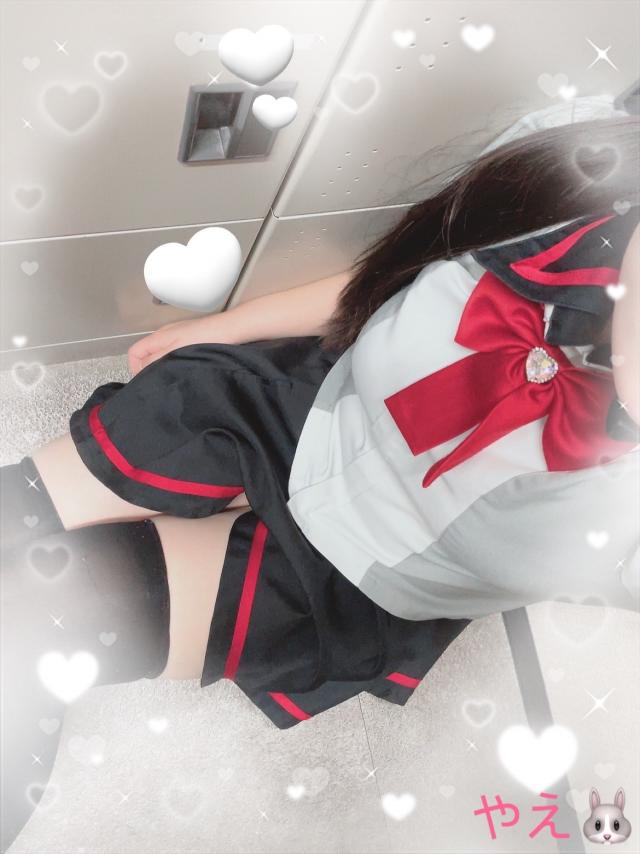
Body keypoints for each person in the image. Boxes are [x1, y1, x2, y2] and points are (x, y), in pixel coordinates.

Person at [1, 94, 638, 851]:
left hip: (361, 570)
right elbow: (393, 278)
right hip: (299, 405)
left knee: (41, 615)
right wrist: (225, 327)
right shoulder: (577, 167)